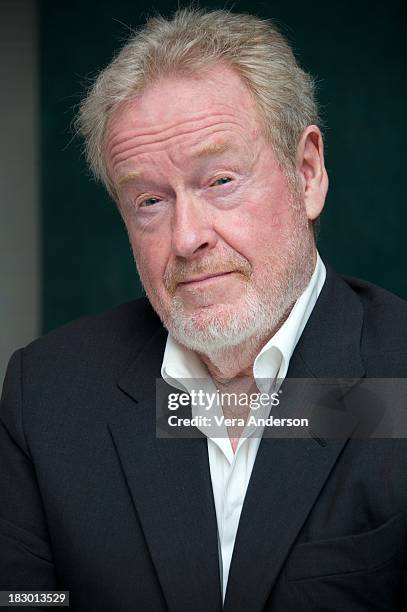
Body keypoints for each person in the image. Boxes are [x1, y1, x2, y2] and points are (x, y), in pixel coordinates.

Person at [1, 8, 407, 611]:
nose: (188, 238)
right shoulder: (50, 392)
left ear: (308, 173)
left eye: (219, 181)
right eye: (149, 200)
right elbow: (27, 601)